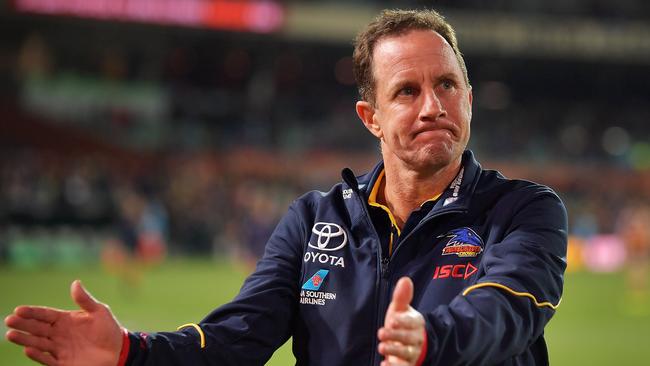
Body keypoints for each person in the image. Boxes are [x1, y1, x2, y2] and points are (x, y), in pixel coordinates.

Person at [4, 9, 568, 366]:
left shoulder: (525, 210)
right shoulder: (315, 220)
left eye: (448, 85)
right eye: (407, 92)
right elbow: (237, 337)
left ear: (469, 100)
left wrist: (430, 339)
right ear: (369, 116)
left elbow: (506, 308)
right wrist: (130, 351)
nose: (433, 106)